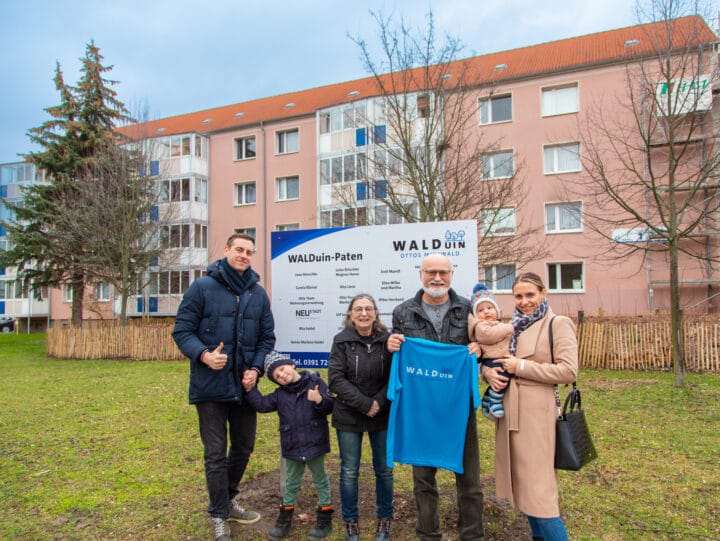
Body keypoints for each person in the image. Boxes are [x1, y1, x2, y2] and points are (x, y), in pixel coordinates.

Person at [172, 233, 275, 541]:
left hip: (244, 388)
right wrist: (204, 355)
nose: (244, 255)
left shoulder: (258, 294)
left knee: (244, 447)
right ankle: (218, 514)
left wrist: (256, 370)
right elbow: (182, 331)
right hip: (210, 387)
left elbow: (266, 339)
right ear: (226, 249)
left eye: (249, 251)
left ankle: (227, 498)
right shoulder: (202, 287)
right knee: (215, 454)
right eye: (239, 249)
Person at [386, 253, 485, 541]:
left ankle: (472, 536)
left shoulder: (468, 308)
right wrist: (391, 344)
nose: (437, 278)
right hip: (421, 410)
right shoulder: (403, 312)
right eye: (431, 272)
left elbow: (488, 344)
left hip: (458, 408)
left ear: (452, 275)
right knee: (423, 480)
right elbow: (395, 349)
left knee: (469, 481)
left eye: (443, 272)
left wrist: (479, 348)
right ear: (421, 274)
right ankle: (428, 535)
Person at [481, 272, 578, 541]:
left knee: (539, 491)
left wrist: (521, 366)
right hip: (511, 411)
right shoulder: (513, 326)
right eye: (519, 296)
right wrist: (487, 374)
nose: (524, 301)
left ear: (543, 294)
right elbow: (493, 360)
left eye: (530, 295)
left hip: (538, 413)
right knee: (524, 487)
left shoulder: (558, 324)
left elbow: (569, 370)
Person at [242, 351, 335, 540]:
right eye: (277, 376)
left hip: (315, 443)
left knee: (321, 479)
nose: (282, 375)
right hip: (292, 445)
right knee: (291, 482)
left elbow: (330, 406)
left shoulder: (315, 382)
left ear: (292, 365)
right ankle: (284, 519)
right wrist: (250, 389)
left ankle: (325, 519)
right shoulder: (279, 395)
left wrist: (319, 400)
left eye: (282, 369)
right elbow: (261, 404)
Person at [328, 294, 393, 541]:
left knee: (385, 471)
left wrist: (379, 402)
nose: (364, 313)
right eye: (358, 309)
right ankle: (350, 521)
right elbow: (335, 379)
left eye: (368, 309)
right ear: (350, 314)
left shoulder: (388, 340)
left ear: (375, 313)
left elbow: (394, 376)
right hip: (349, 414)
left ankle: (385, 519)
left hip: (382, 413)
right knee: (349, 471)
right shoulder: (341, 341)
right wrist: (366, 404)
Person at [468, 282, 513, 420]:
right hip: (493, 360)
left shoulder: (498, 324)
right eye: (480, 310)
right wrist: (511, 327)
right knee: (502, 377)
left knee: (504, 377)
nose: (486, 311)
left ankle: (487, 398)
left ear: (497, 310)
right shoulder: (481, 326)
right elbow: (490, 335)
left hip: (501, 358)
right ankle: (494, 400)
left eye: (489, 308)